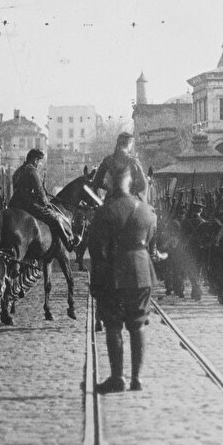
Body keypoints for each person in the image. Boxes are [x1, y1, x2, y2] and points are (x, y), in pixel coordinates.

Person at [87, 160, 158, 392]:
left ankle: (118, 377)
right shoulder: (146, 210)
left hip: (113, 273)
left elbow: (97, 251)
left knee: (113, 325)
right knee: (138, 325)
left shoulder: (104, 211)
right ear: (130, 181)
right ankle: (136, 378)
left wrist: (95, 284)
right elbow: (148, 241)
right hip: (141, 272)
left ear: (110, 183)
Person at [10, 149, 78, 250]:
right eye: (38, 161)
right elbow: (40, 191)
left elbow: (16, 186)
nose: (38, 163)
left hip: (14, 203)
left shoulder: (18, 171)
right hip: (28, 204)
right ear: (34, 160)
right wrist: (46, 203)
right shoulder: (32, 171)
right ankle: (68, 243)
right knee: (55, 217)